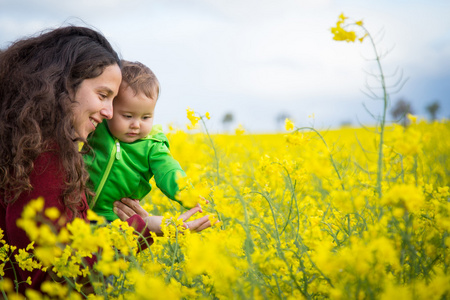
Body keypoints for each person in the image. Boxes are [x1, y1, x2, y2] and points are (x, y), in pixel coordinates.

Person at [0, 26, 210, 295]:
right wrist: (146, 228)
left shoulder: (26, 141)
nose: (109, 113)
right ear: (63, 84)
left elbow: (167, 168)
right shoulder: (44, 157)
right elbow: (56, 274)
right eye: (103, 95)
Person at [84, 60, 188, 223]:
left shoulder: (153, 145)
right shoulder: (97, 126)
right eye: (127, 116)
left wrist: (188, 194)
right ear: (110, 107)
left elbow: (168, 170)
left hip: (114, 220)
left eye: (146, 117)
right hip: (75, 210)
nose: (136, 125)